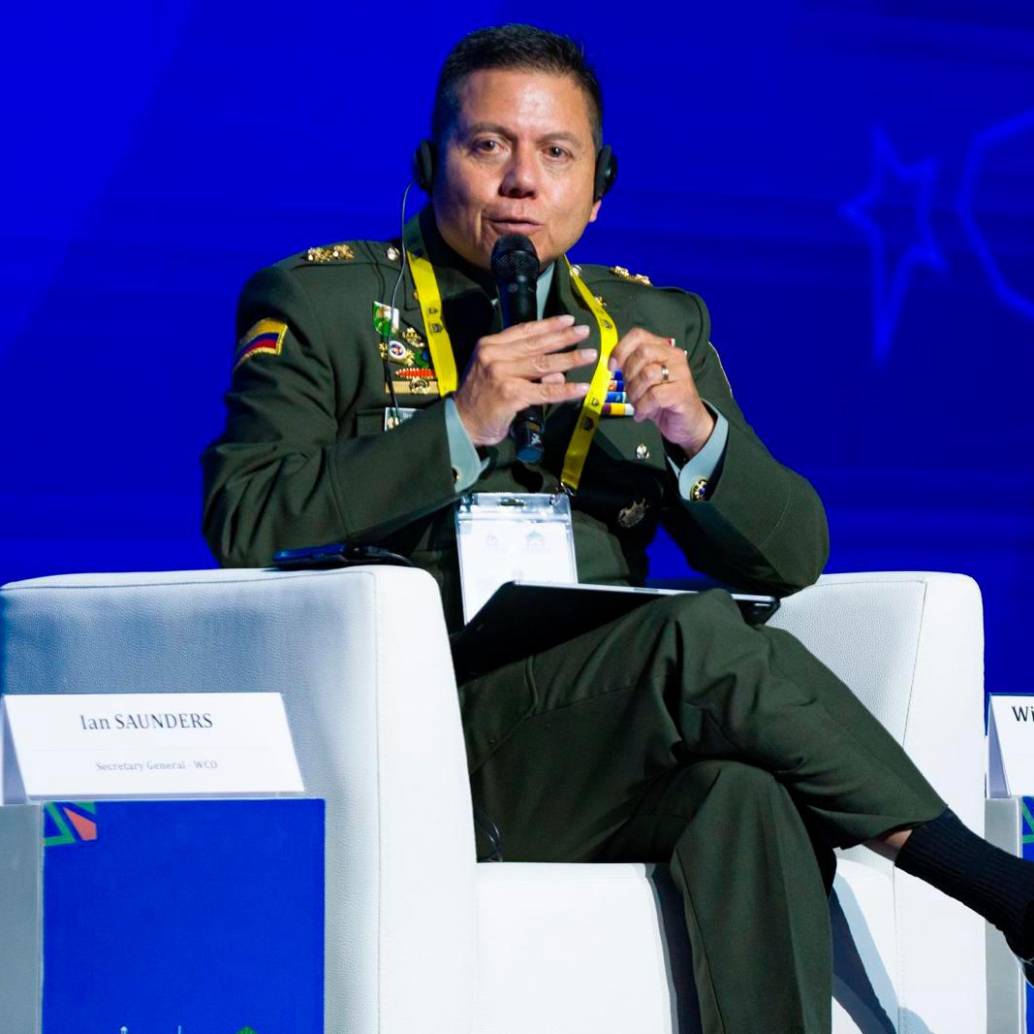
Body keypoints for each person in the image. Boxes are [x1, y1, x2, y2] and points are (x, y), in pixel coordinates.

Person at [202, 24, 1034, 1033]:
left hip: (610, 731)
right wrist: (459, 424)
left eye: (554, 154)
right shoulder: (327, 305)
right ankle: (1000, 889)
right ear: (429, 166)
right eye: (486, 146)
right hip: (431, 731)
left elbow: (791, 555)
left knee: (740, 794)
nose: (520, 180)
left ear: (596, 187)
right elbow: (243, 515)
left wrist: (697, 437)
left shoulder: (651, 324)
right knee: (695, 634)